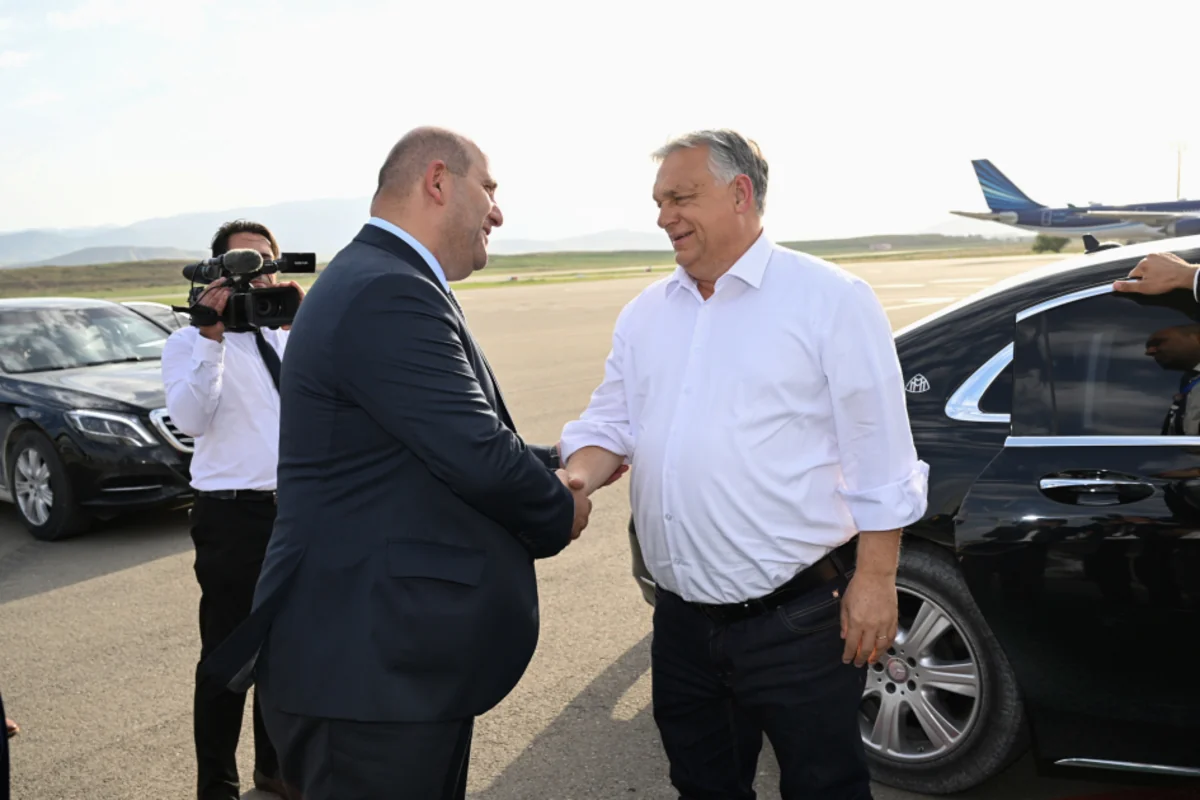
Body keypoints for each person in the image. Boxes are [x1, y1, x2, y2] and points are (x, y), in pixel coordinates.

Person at [199, 126, 598, 800]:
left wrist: (562, 458)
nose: (498, 212)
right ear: (438, 182)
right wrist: (561, 504)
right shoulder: (386, 289)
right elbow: (474, 453)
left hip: (382, 670)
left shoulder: (380, 277)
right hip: (367, 678)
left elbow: (420, 445)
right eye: (489, 188)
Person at [559, 129, 929, 800]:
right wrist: (576, 480)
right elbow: (610, 423)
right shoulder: (646, 314)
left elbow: (880, 452)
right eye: (659, 202)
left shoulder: (830, 299)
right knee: (704, 787)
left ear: (739, 194)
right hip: (682, 625)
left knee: (824, 789)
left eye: (681, 197)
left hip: (799, 623)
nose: (664, 217)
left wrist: (876, 578)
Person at [161, 219, 301, 800]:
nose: (255, 274)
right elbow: (191, 420)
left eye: (264, 262)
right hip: (232, 518)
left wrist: (305, 321)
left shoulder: (287, 337)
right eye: (242, 263)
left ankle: (275, 767)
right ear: (216, 271)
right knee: (226, 655)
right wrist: (211, 338)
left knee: (286, 651)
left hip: (293, 515)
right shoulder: (188, 343)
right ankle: (216, 784)